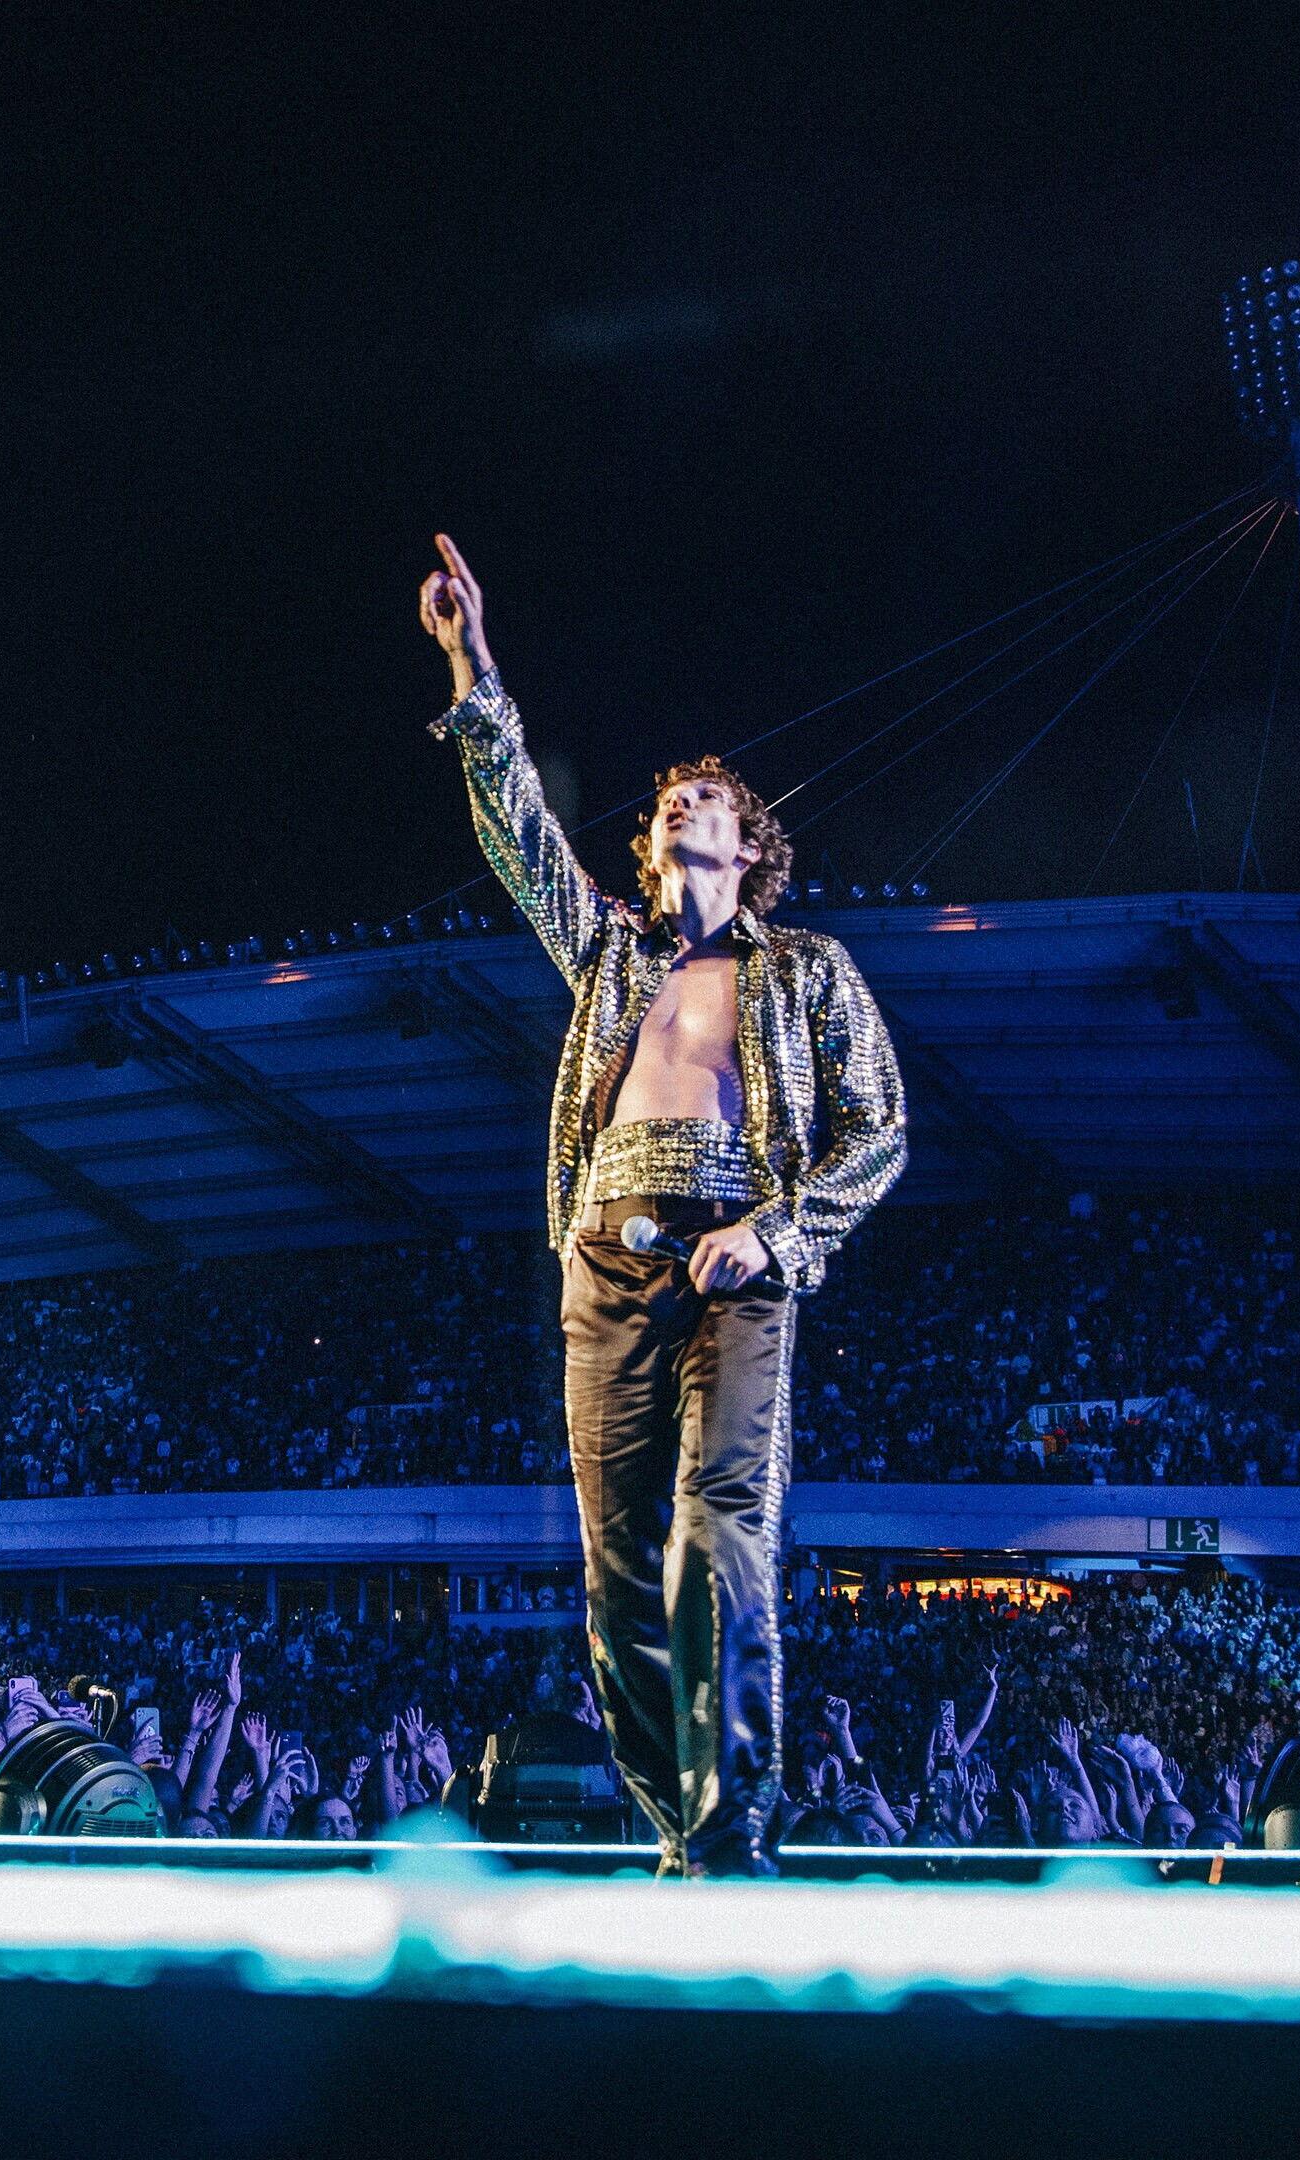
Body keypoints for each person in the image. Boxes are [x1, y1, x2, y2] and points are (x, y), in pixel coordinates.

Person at [418, 533, 910, 1876]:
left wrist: (776, 1231)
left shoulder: (806, 968)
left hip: (738, 1260)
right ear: (648, 847)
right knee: (618, 1571)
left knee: (719, 1531)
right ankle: (678, 1824)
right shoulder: (609, 959)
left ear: (749, 846)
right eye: (671, 798)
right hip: (604, 1259)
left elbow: (879, 1129)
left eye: (712, 797)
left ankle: (734, 1825)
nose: (688, 800)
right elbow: (519, 831)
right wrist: (471, 663)